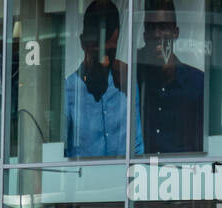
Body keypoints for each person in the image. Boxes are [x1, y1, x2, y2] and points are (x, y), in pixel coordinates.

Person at [65, 0, 144, 158]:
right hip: (83, 180)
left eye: (111, 52)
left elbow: (137, 146)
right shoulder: (69, 90)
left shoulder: (126, 82)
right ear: (83, 43)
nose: (105, 61)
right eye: (99, 52)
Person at [137, 0, 204, 154]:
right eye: (151, 28)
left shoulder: (197, 84)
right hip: (141, 173)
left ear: (176, 32)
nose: (156, 34)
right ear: (145, 34)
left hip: (184, 175)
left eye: (163, 27)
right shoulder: (135, 80)